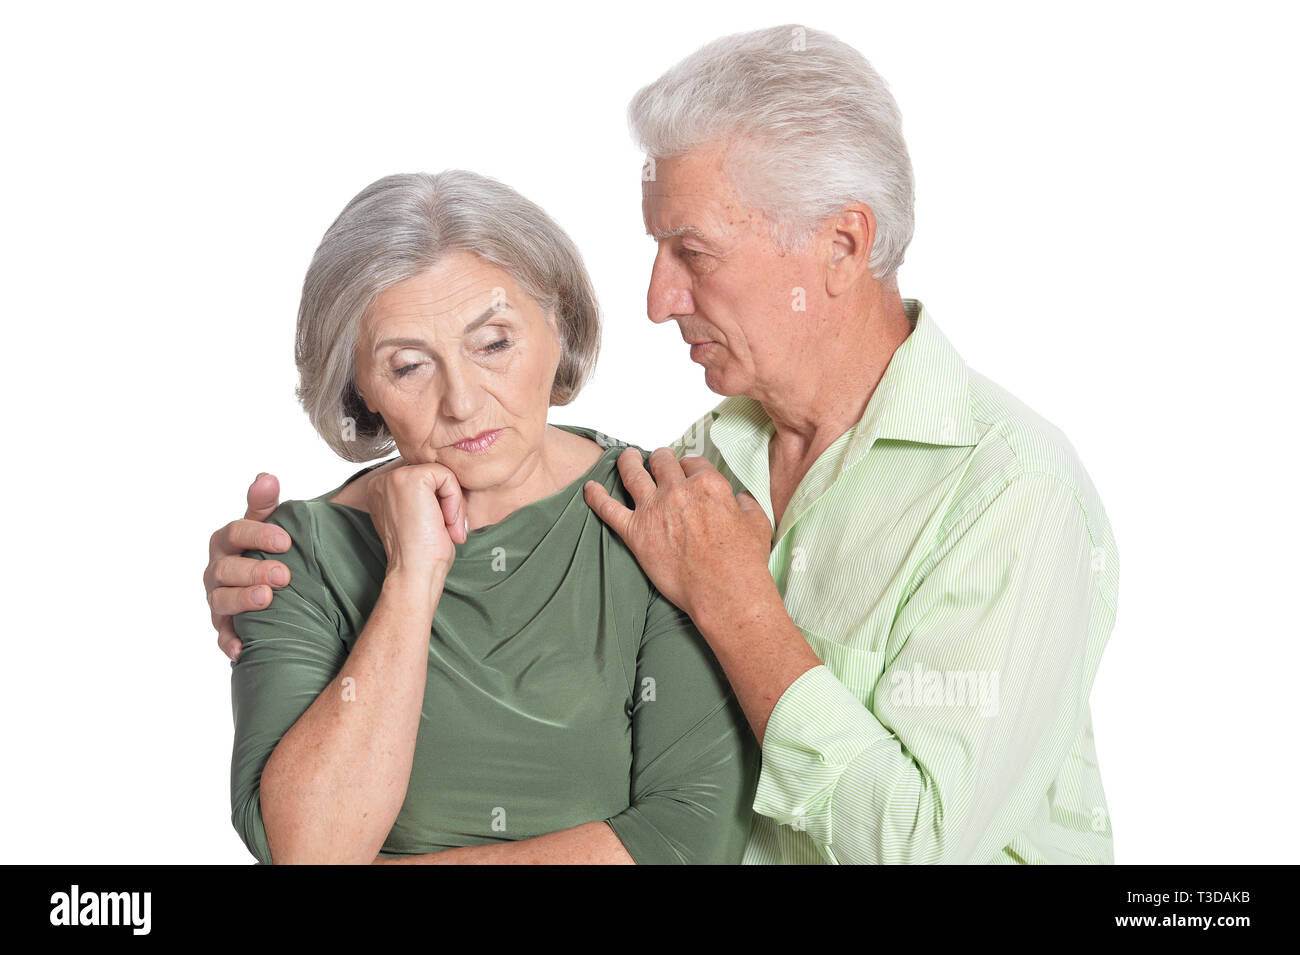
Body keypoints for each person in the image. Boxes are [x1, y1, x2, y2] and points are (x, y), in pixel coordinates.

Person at [208, 24, 1120, 865]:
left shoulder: (1013, 494)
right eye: (655, 249)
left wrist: (741, 612)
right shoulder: (691, 466)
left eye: (693, 251)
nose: (657, 298)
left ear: (843, 244)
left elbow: (916, 844)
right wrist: (308, 562)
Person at [223, 169, 758, 864]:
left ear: (557, 326)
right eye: (410, 365)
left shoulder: (658, 511)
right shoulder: (298, 552)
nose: (464, 402)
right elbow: (305, 848)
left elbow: (689, 840)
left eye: (495, 343)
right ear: (361, 389)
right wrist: (413, 575)